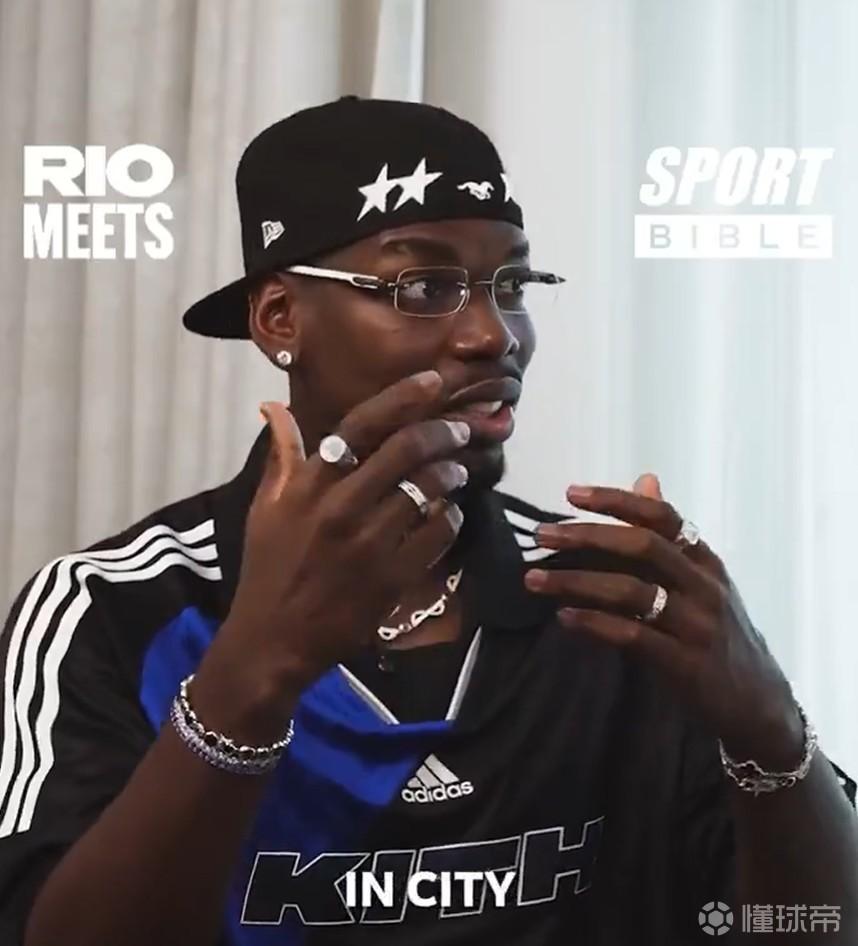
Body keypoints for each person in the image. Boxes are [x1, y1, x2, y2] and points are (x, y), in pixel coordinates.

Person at [0, 96, 855, 946]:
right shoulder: (110, 609)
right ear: (280, 319)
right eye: (426, 287)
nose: (494, 336)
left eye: (511, 286)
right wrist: (254, 669)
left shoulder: (607, 605)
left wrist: (772, 729)